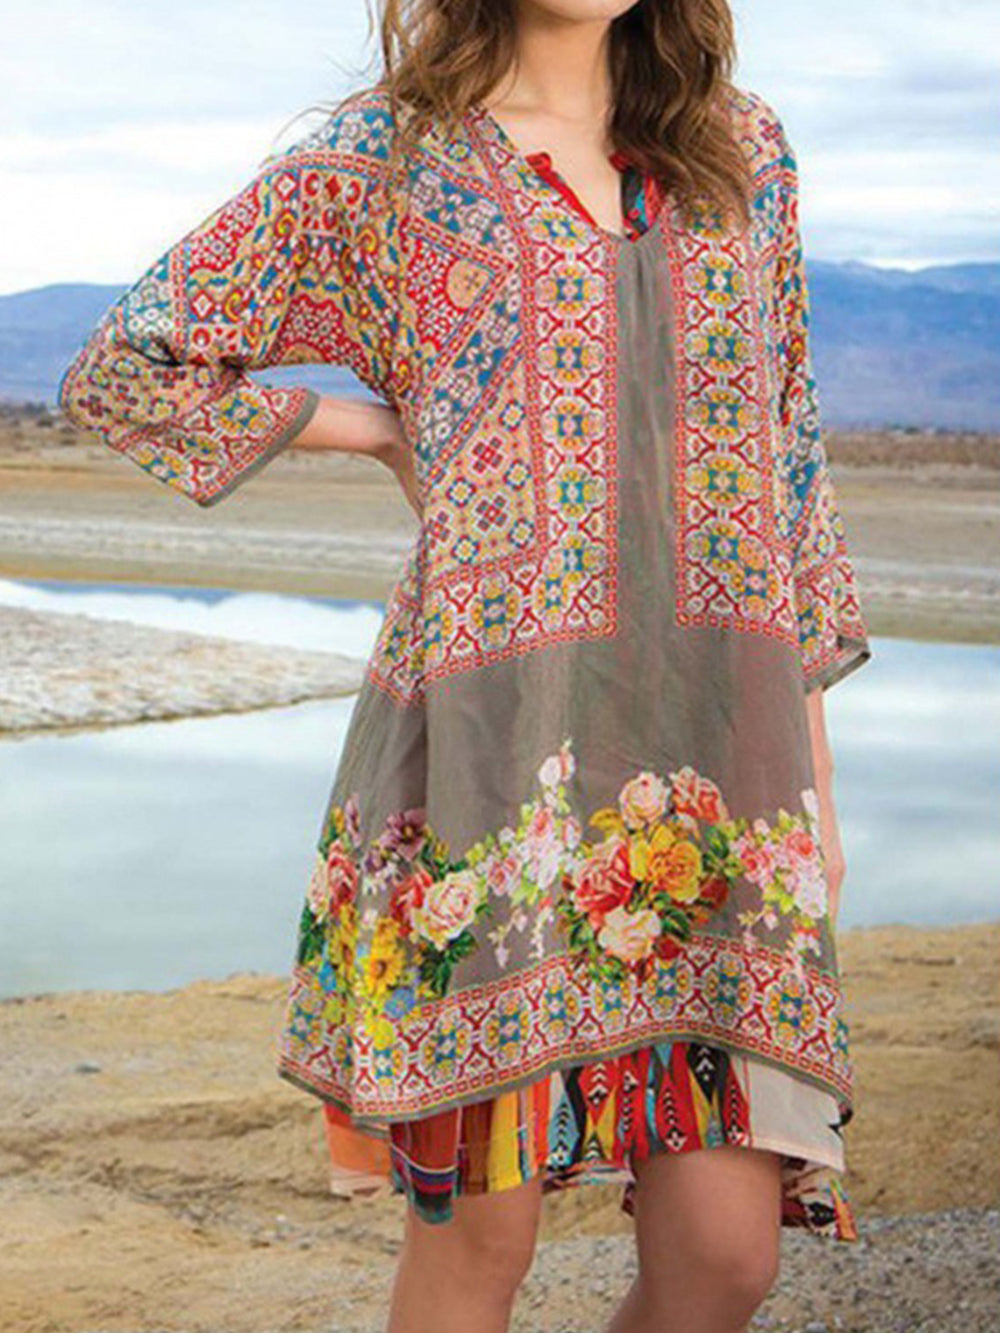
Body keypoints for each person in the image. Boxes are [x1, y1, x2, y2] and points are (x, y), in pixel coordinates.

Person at [57, 1, 874, 1329]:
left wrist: (815, 781)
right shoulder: (391, 158)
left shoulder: (743, 149)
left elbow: (789, 453)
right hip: (491, 759)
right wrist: (369, 427)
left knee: (727, 1258)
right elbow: (128, 368)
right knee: (480, 1243)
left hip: (726, 764)